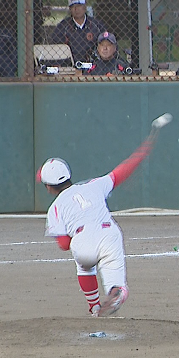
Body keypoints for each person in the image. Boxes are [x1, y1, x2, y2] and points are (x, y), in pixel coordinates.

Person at [36, 129, 160, 317]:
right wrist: (141, 153)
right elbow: (121, 172)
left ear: (48, 186)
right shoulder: (94, 184)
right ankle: (116, 291)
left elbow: (63, 245)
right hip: (108, 235)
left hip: (82, 242)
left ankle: (94, 307)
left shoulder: (55, 207)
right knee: (114, 274)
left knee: (84, 265)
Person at [49, 0, 106, 64]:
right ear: (70, 9)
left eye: (79, 6)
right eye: (73, 7)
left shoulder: (96, 25)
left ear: (85, 7)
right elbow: (55, 46)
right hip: (69, 64)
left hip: (93, 64)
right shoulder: (63, 26)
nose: (76, 9)